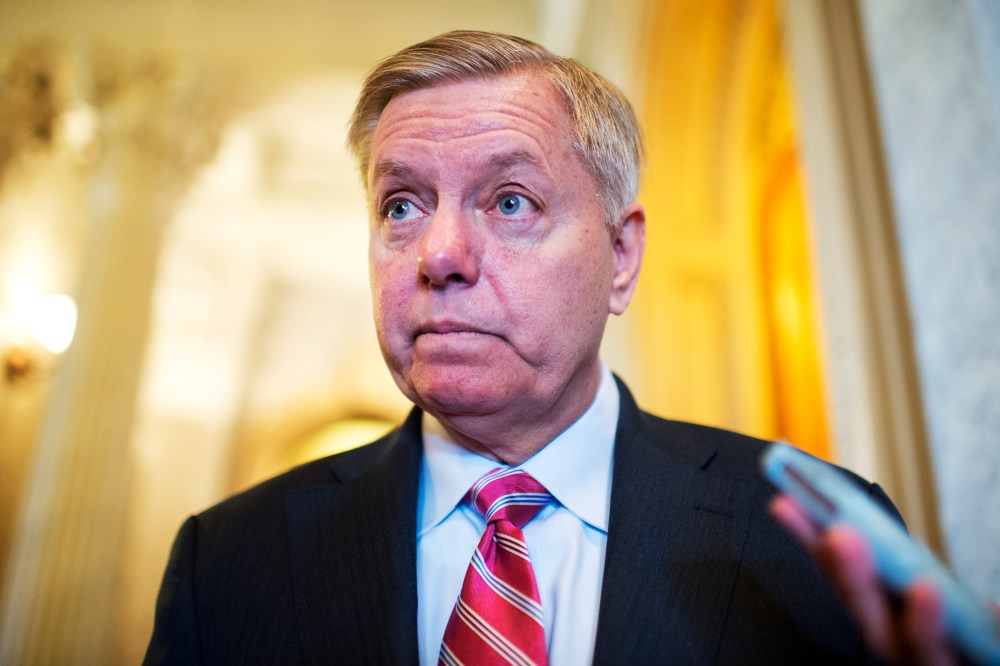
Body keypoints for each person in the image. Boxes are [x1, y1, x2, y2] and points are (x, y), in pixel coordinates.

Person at [145, 30, 976, 665]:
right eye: (401, 206)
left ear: (621, 257)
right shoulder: (228, 563)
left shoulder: (817, 548)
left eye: (510, 201)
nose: (439, 254)